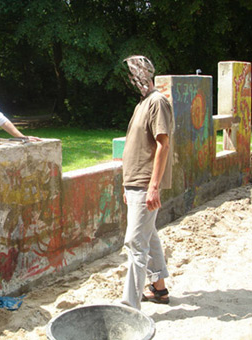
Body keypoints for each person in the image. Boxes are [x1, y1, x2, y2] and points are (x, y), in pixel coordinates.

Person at [120, 55, 174, 310]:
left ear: (146, 74)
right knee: (149, 236)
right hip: (134, 184)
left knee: (135, 243)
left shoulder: (157, 102)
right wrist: (125, 185)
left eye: (135, 73)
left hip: (144, 185)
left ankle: (130, 307)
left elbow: (163, 144)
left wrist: (153, 186)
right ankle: (159, 289)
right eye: (130, 74)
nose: (132, 79)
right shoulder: (142, 103)